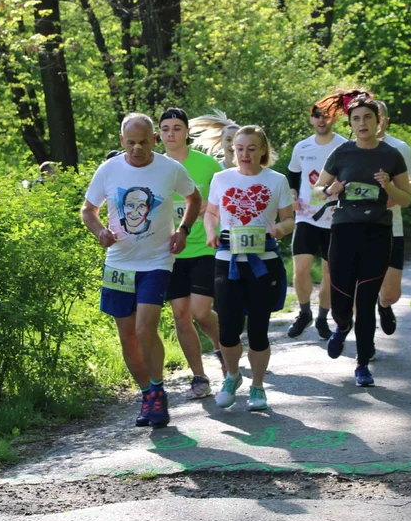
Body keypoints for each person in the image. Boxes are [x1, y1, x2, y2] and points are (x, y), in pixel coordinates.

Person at [81, 112, 201, 428]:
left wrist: (184, 231)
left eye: (143, 142)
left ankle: (158, 391)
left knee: (144, 328)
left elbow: (194, 198)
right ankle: (147, 394)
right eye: (131, 142)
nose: (137, 148)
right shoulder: (108, 170)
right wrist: (99, 232)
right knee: (128, 338)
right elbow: (88, 210)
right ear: (122, 141)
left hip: (157, 261)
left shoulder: (170, 169)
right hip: (119, 264)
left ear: (154, 140)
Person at [312, 92, 411, 386]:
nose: (362, 123)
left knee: (366, 301)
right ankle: (342, 327)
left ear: (378, 121)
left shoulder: (391, 155)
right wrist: (333, 190)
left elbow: (405, 199)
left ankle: (363, 363)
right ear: (351, 123)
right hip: (343, 232)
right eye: (356, 119)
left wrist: (388, 187)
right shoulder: (342, 153)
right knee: (342, 300)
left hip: (378, 233)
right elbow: (316, 191)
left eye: (368, 117)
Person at [205, 125, 294, 412]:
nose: (244, 154)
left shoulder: (276, 180)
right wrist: (210, 231)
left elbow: (290, 220)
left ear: (263, 151)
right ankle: (232, 376)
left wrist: (278, 229)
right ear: (232, 151)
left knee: (258, 330)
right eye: (239, 149)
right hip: (227, 261)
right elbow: (210, 212)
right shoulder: (221, 178)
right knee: (228, 330)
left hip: (263, 264)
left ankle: (257, 386)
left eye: (251, 148)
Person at [158, 108, 224, 400]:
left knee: (200, 312)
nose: (171, 134)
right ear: (159, 134)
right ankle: (199, 376)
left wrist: (207, 208)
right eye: (165, 129)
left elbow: (226, 199)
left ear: (187, 132)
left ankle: (224, 348)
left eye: (176, 128)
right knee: (181, 316)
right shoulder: (153, 166)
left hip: (203, 248)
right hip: (168, 254)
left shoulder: (208, 166)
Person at [286, 101, 348, 340]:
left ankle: (323, 318)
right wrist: (292, 194)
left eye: (327, 116)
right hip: (306, 217)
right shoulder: (302, 147)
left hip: (335, 219)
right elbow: (292, 174)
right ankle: (304, 313)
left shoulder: (344, 146)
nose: (322, 120)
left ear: (334, 119)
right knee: (300, 269)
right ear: (311, 119)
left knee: (329, 274)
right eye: (317, 116)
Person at [374, 101, 411, 336]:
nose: (372, 122)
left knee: (391, 293)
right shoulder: (349, 149)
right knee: (358, 290)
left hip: (391, 226)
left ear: (385, 121)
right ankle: (365, 342)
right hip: (355, 226)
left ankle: (384, 305)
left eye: (378, 117)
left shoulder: (398, 148)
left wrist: (398, 196)